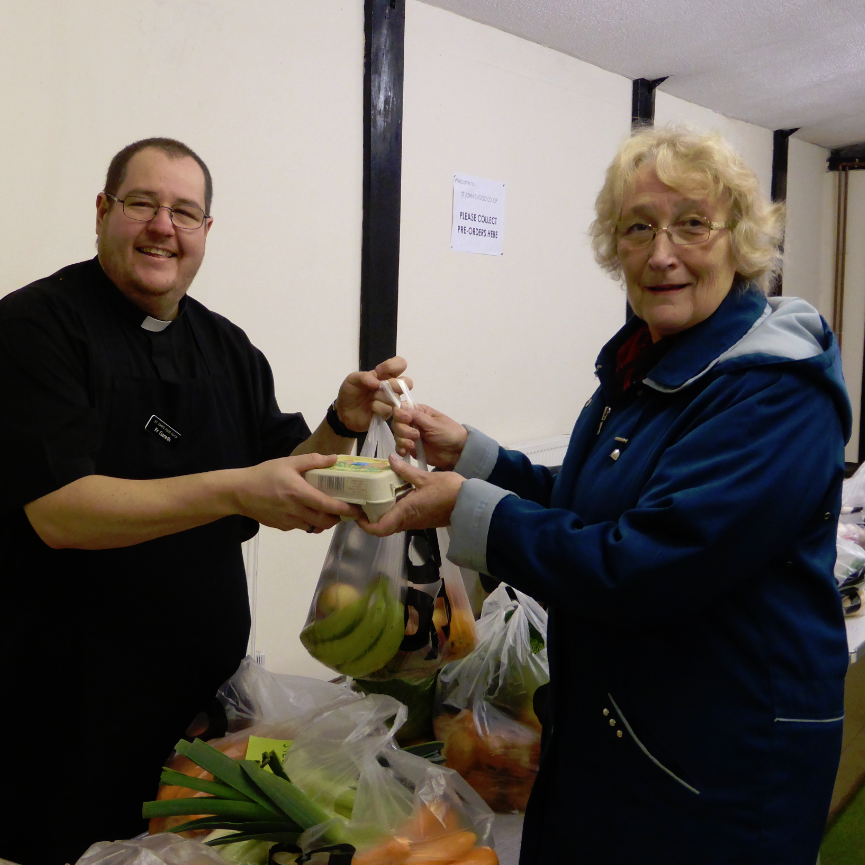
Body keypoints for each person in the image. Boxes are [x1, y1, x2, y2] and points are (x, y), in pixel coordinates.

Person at [362, 126, 851, 864]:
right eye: (637, 227)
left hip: (712, 771)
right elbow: (594, 505)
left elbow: (648, 562)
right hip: (620, 742)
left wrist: (463, 506)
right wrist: (477, 456)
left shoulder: (773, 392)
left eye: (690, 223)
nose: (661, 253)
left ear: (739, 240)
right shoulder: (643, 364)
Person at [0, 137, 406, 865]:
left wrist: (342, 423)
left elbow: (286, 469)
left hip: (195, 719)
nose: (164, 226)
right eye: (143, 204)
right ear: (102, 211)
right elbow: (62, 511)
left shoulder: (226, 347)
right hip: (46, 717)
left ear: (206, 233)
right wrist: (234, 488)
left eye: (185, 212)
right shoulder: (35, 328)